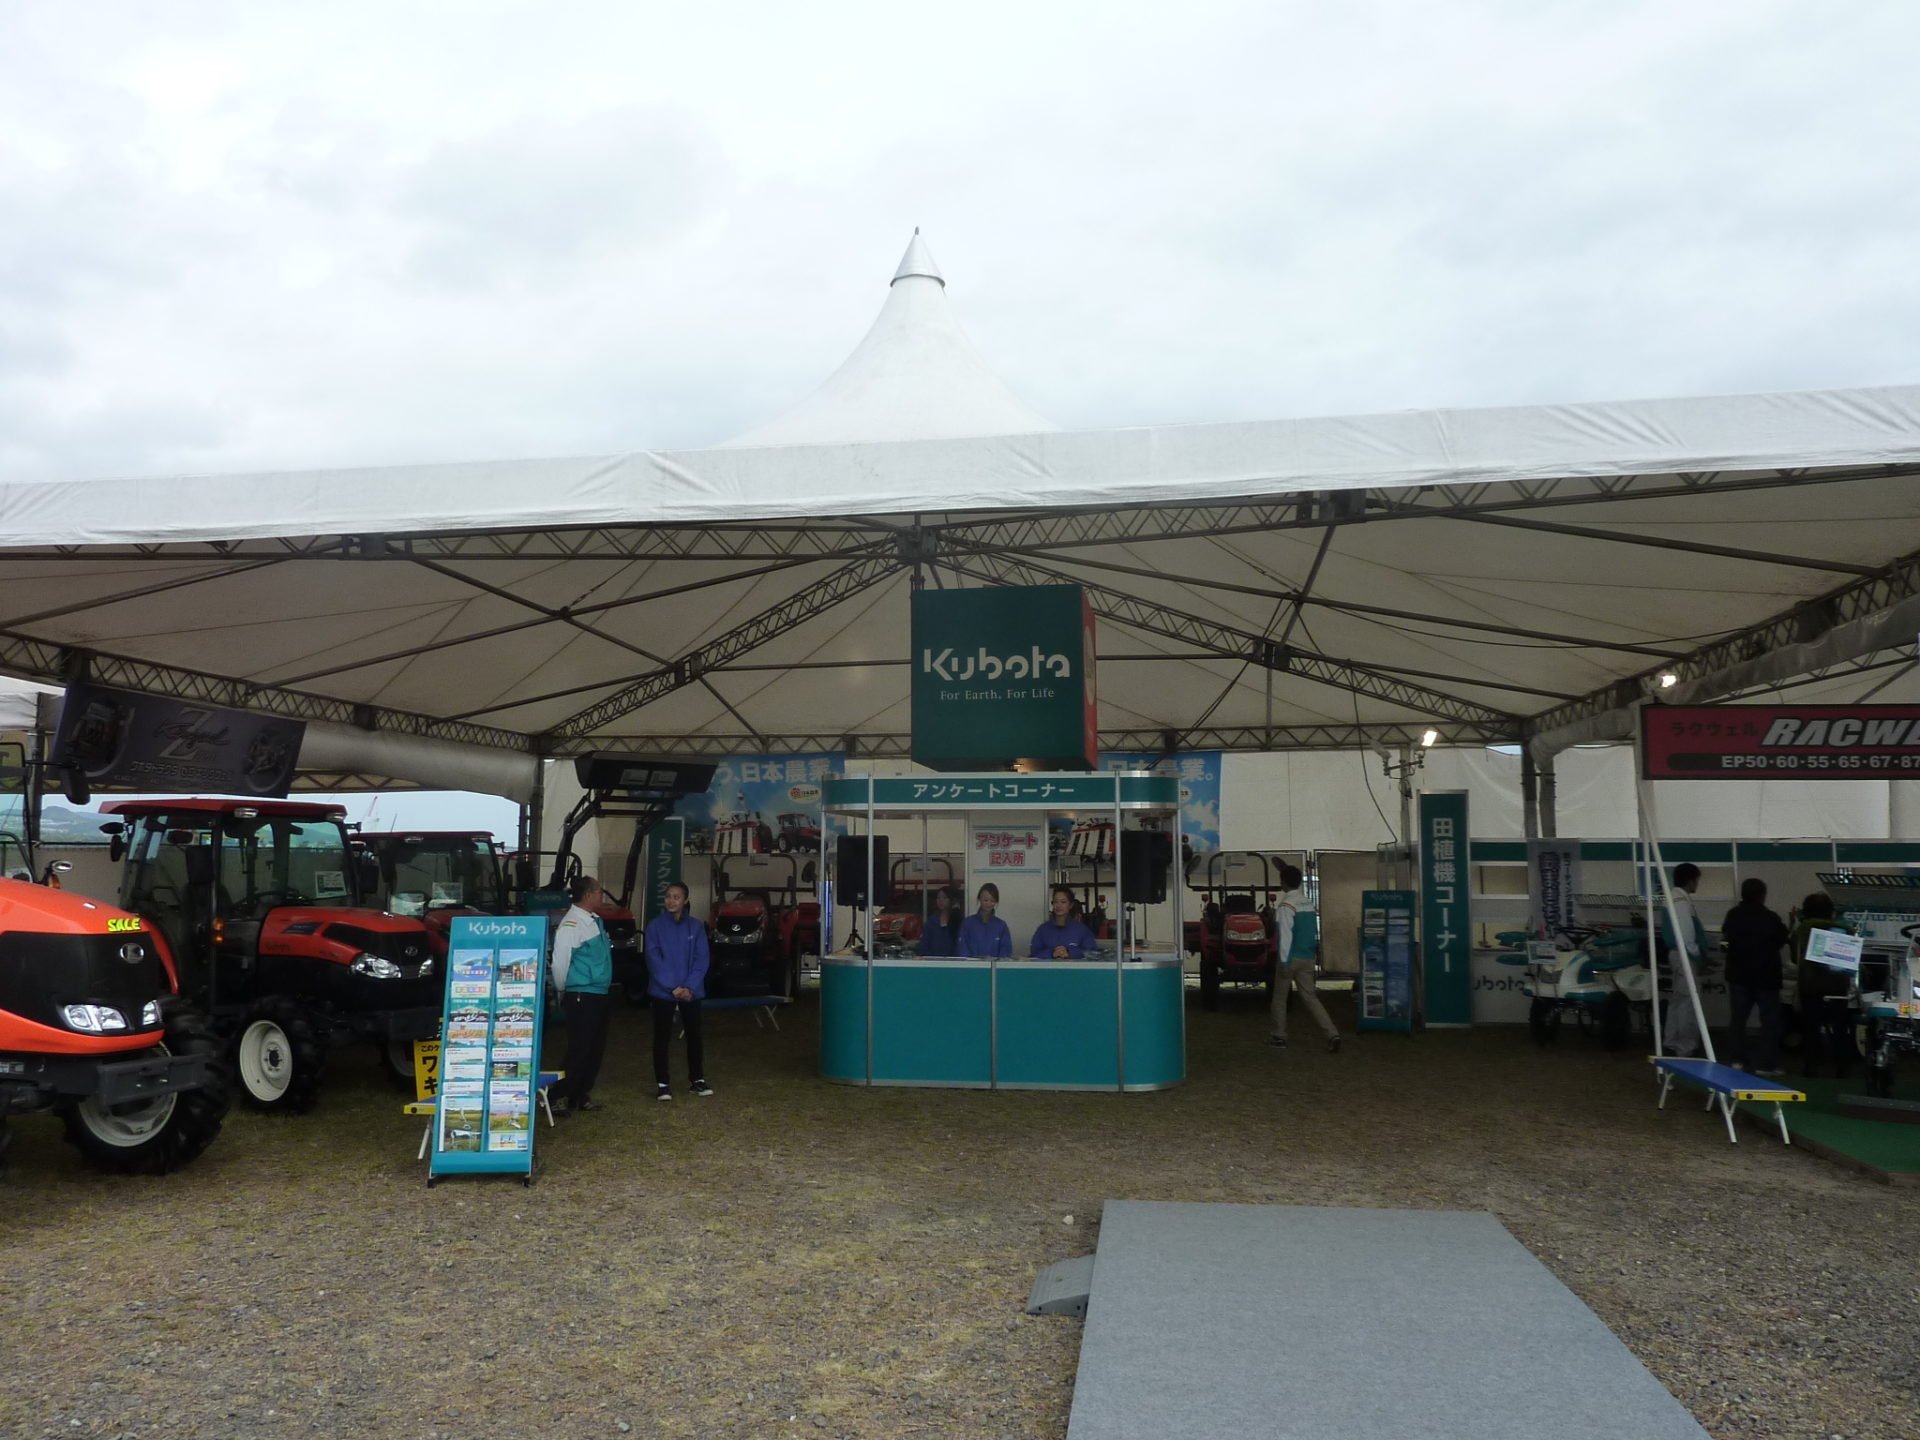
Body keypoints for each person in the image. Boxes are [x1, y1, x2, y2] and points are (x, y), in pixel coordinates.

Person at [548, 874, 613, 1115]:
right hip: (581, 994)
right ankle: (558, 1095)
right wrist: (563, 988)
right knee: (580, 1047)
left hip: (599, 992)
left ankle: (580, 1093)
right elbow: (560, 962)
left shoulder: (594, 921)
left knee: (595, 1048)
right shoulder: (572, 924)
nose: (602, 895)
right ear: (588, 895)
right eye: (599, 891)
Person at [644, 881, 712, 1101]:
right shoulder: (654, 926)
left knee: (694, 1036)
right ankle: (663, 1084)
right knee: (662, 1037)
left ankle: (697, 1080)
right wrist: (672, 986)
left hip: (691, 991)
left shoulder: (696, 926)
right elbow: (653, 959)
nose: (671, 901)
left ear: (685, 901)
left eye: (676, 897)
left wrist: (689, 987)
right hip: (663, 991)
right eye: (668, 896)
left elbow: (702, 958)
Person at [1267, 862, 1340, 1053]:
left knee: (1280, 999)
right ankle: (1332, 1033)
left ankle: (1279, 1036)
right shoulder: (1308, 904)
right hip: (1307, 957)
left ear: (1283, 882)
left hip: (1290, 957)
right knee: (1310, 998)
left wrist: (1284, 962)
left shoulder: (1286, 905)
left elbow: (1285, 936)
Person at [1721, 877, 1789, 1075]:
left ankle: (1737, 1060)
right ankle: (1765, 1064)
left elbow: (1727, 937)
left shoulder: (1733, 915)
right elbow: (1782, 939)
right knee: (1769, 1022)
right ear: (1762, 896)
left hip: (1738, 975)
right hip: (1766, 977)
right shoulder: (1770, 917)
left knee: (1738, 1020)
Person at [1792, 892, 1855, 1079]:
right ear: (1830, 911)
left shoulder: (1802, 930)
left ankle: (1811, 1066)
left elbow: (1795, 958)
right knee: (1840, 1027)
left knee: (1811, 1027)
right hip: (1838, 986)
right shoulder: (1845, 930)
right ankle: (1842, 1067)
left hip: (1811, 986)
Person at [1658, 863, 1710, 1058]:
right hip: (1685, 955)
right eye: (1697, 880)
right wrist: (1699, 957)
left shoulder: (1674, 897)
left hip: (1679, 955)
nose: (1697, 884)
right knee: (1688, 1002)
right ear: (1690, 880)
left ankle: (1671, 1043)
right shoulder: (1680, 901)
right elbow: (1686, 937)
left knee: (1678, 1001)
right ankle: (1685, 1047)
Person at [1030, 886, 1099, 958]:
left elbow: (1092, 953)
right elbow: (1034, 953)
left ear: (1071, 905)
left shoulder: (1082, 930)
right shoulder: (1043, 929)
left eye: (1063, 902)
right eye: (1055, 902)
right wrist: (1052, 953)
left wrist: (1070, 953)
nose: (1058, 905)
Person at [956, 883, 1013, 958]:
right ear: (979, 899)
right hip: (972, 965)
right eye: (985, 900)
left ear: (996, 902)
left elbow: (1006, 951)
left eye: (992, 901)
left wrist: (997, 963)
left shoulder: (1001, 926)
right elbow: (963, 949)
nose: (988, 903)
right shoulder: (967, 923)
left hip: (995, 965)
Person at [917, 886, 962, 957]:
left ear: (951, 900)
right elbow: (924, 944)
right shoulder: (931, 921)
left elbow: (959, 946)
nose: (941, 900)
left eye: (944, 898)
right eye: (938, 898)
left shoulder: (958, 921)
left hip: (953, 961)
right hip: (932, 961)